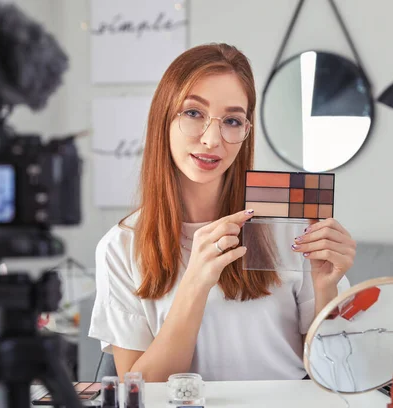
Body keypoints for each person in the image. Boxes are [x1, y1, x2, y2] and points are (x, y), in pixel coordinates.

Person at [89, 43, 357, 382]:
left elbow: (337, 371)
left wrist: (326, 289)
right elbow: (139, 392)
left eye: (232, 120)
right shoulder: (121, 246)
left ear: (246, 132)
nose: (212, 139)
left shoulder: (289, 222)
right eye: (193, 113)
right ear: (164, 117)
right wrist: (196, 283)